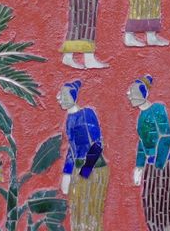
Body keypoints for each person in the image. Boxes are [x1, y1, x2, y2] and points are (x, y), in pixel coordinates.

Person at [129, 76, 170, 231]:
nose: (129, 95)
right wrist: (139, 166)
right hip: (150, 166)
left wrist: (158, 166)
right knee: (150, 206)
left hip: (165, 165)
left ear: (143, 94)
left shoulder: (157, 109)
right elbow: (142, 142)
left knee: (164, 209)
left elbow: (165, 137)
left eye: (133, 92)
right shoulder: (141, 116)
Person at [59, 81, 108, 231]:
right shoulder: (70, 119)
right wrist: (67, 173)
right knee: (78, 213)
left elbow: (97, 143)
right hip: (79, 170)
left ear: (73, 97)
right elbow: (72, 148)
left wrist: (85, 172)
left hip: (94, 170)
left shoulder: (87, 114)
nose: (59, 98)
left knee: (90, 214)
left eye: (64, 95)